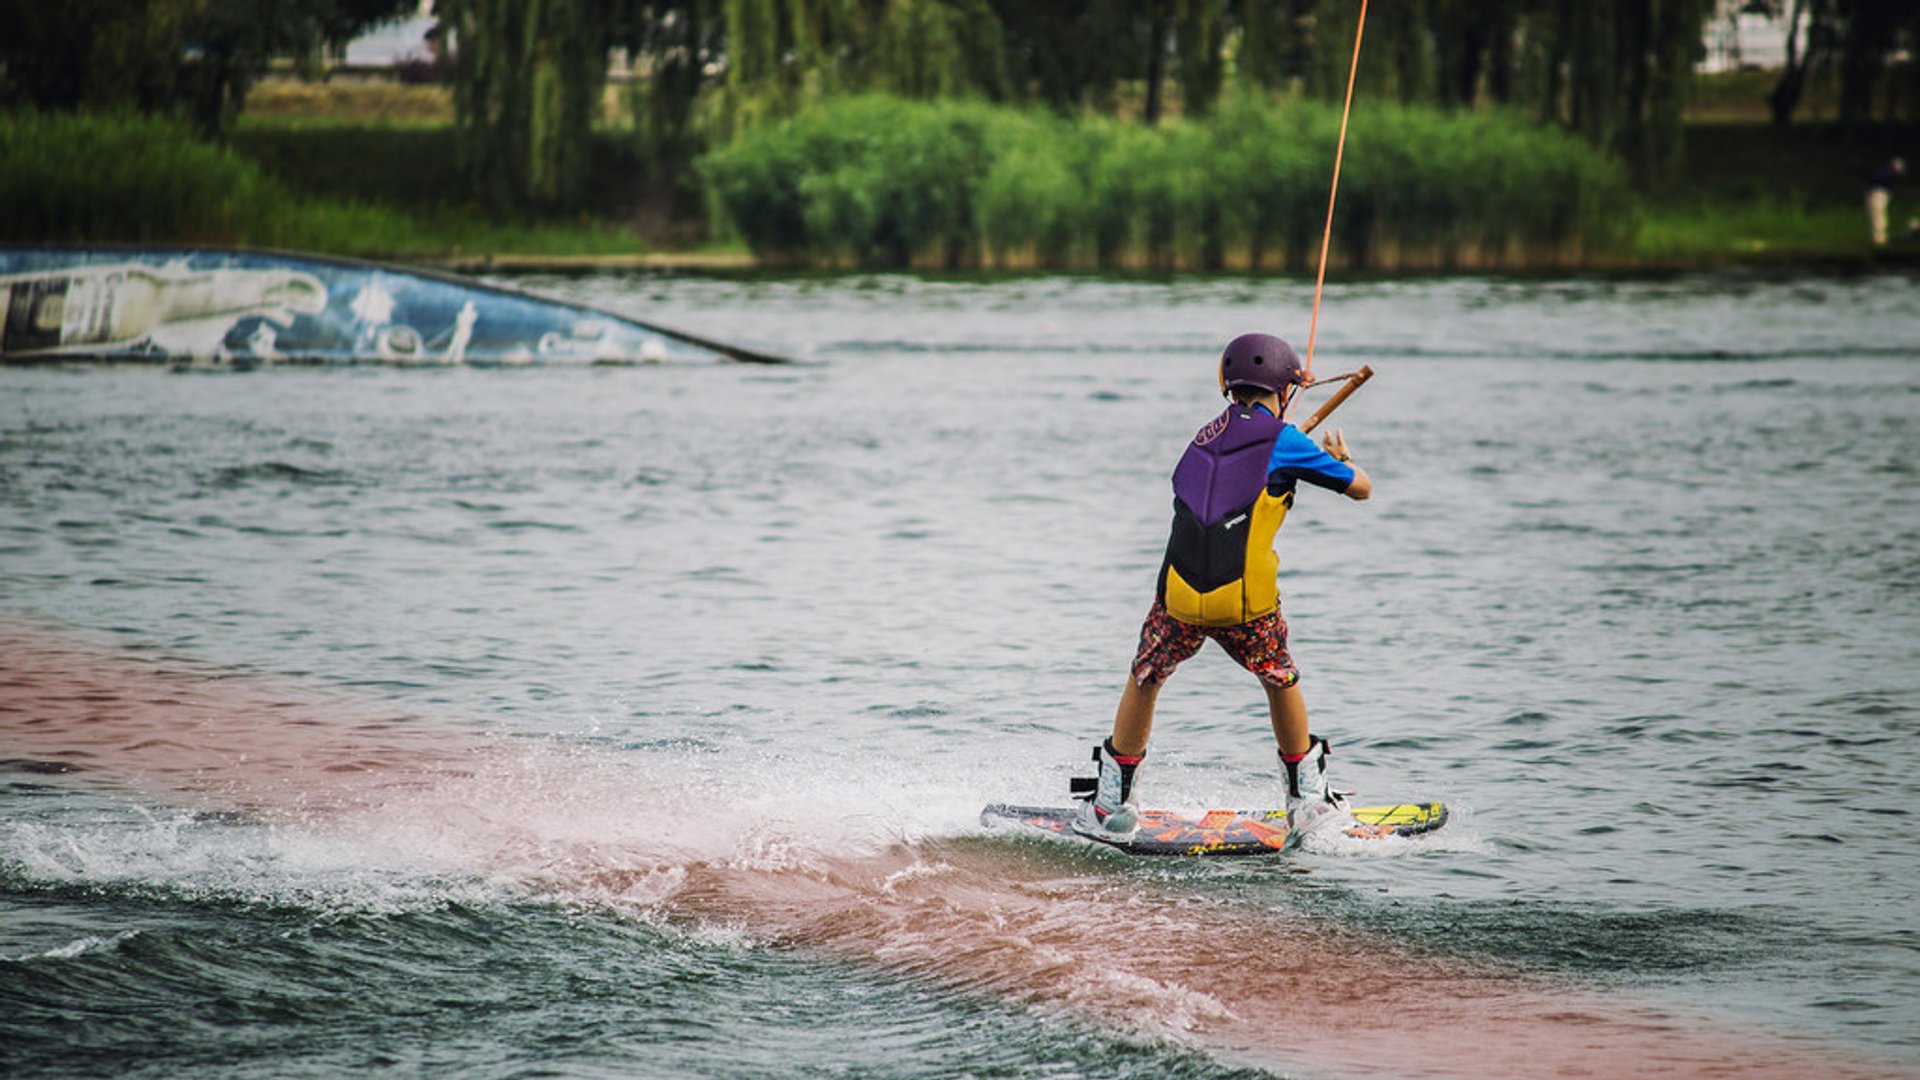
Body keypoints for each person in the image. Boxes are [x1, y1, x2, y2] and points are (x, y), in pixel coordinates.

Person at [1074, 332, 1372, 842]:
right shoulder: (1286, 441)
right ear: (1284, 389)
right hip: (1245, 607)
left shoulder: (1202, 435)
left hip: (1180, 599)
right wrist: (1340, 460)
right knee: (1279, 676)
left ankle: (1113, 801)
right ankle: (1307, 800)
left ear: (1227, 385)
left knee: (1146, 673)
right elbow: (1361, 489)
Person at [1867, 157, 1904, 248]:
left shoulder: (1887, 174)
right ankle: (1879, 238)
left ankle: (1879, 239)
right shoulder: (1890, 175)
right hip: (1881, 195)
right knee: (1878, 215)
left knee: (1878, 215)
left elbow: (1874, 179)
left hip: (1879, 195)